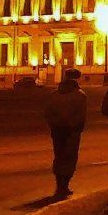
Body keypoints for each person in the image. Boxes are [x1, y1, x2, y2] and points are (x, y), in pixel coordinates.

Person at [44, 68, 87, 199]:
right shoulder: (80, 95)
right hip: (72, 130)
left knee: (59, 155)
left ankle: (59, 185)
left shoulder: (54, 95)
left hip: (57, 129)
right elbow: (81, 115)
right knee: (70, 156)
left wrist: (54, 124)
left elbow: (48, 113)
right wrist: (77, 126)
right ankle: (64, 185)